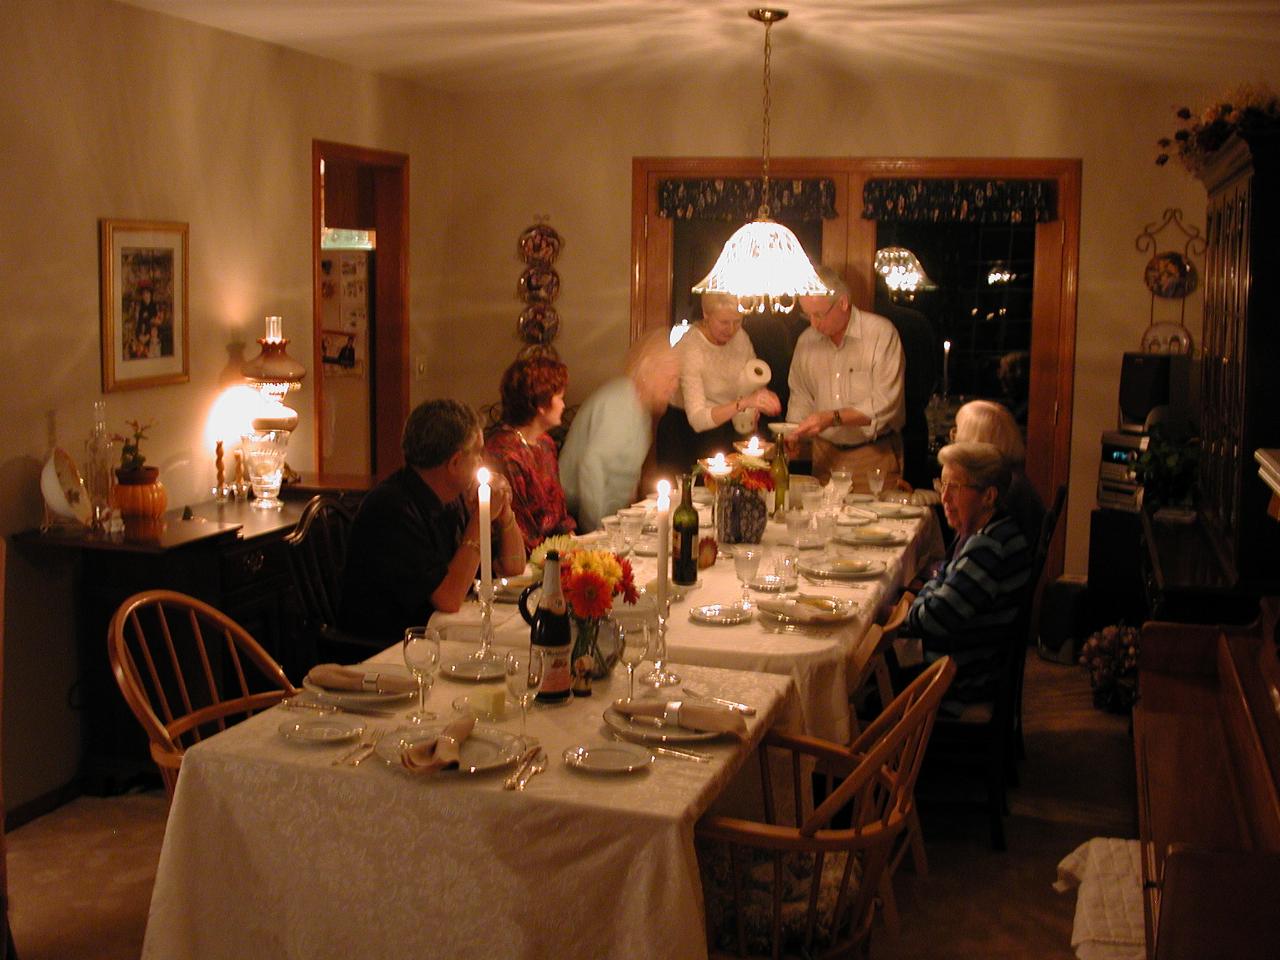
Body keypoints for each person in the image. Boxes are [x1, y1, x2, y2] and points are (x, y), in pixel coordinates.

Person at [340, 399, 526, 640]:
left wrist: (504, 511)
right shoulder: (392, 508)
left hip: (436, 633)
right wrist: (479, 522)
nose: (482, 461)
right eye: (478, 453)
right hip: (388, 647)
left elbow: (513, 567)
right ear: (455, 462)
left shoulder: (453, 496)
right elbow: (449, 598)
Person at [902, 442, 1033, 710]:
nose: (944, 498)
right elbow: (938, 579)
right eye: (943, 484)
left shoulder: (988, 548)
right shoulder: (988, 533)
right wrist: (925, 591)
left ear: (989, 496)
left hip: (960, 681)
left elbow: (931, 618)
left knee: (860, 679)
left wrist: (908, 602)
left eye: (956, 488)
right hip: (969, 663)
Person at [786, 265, 907, 489]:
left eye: (819, 314)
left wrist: (832, 417)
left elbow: (884, 404)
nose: (813, 323)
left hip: (873, 455)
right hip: (824, 456)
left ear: (842, 302)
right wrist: (795, 435)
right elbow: (800, 394)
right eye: (808, 315)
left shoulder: (880, 334)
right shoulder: (806, 341)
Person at [560, 329, 681, 531]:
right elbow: (591, 467)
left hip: (611, 519)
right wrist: (598, 529)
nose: (675, 386)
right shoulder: (621, 402)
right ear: (648, 371)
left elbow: (626, 473)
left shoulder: (640, 407)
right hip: (575, 518)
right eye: (670, 377)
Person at [657, 292, 781, 475]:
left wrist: (763, 397)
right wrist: (745, 403)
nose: (731, 329)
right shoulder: (691, 348)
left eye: (737, 321)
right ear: (706, 314)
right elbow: (697, 420)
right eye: (724, 322)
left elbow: (751, 376)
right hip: (686, 435)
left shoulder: (741, 337)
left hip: (725, 427)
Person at [484, 355, 577, 547]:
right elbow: (521, 528)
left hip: (554, 550)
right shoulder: (504, 453)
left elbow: (559, 511)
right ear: (541, 404)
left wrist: (574, 543)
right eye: (560, 397)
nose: (563, 405)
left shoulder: (545, 443)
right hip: (520, 557)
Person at [952, 399, 1044, 546]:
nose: (955, 440)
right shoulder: (1014, 476)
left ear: (975, 440)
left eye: (958, 432)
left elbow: (974, 546)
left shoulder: (1005, 487)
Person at [875, 280, 938, 489]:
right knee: (915, 492)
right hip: (915, 418)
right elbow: (933, 370)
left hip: (882, 429)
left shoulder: (873, 325)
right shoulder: (917, 320)